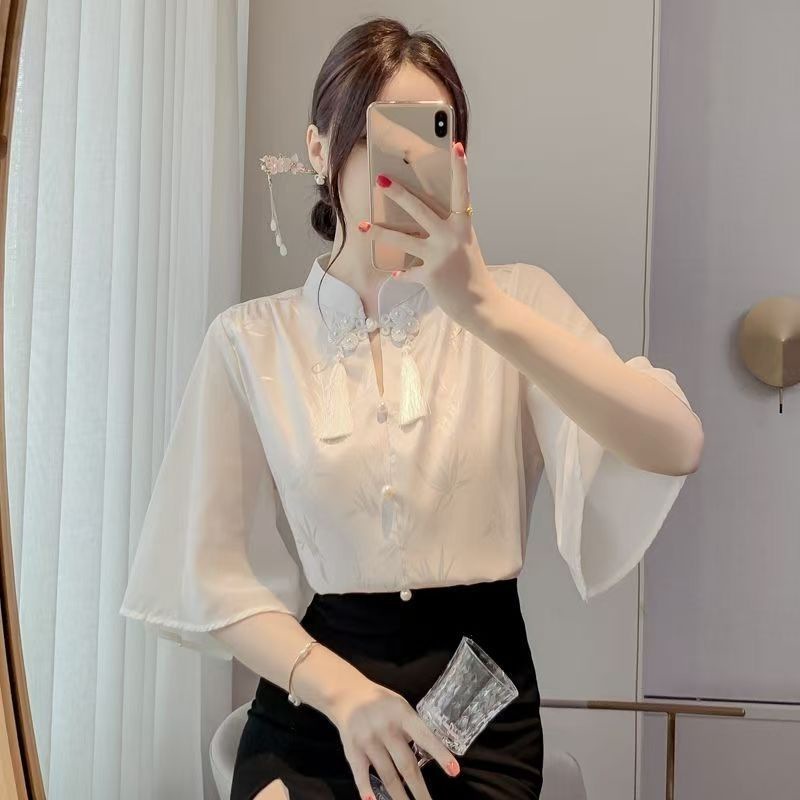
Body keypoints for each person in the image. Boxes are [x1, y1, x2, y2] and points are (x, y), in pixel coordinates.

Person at [119, 16, 704, 800]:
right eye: (373, 134)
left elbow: (676, 444)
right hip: (315, 706)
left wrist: (485, 309)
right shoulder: (249, 342)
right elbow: (208, 572)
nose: (398, 165)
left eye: (429, 134)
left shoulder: (517, 305)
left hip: (480, 718)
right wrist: (343, 695)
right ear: (319, 149)